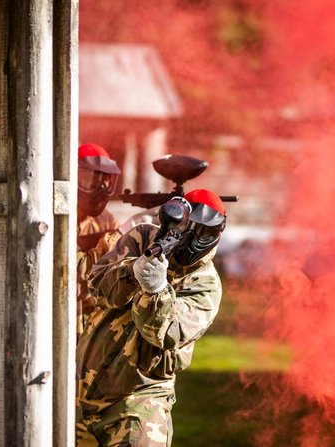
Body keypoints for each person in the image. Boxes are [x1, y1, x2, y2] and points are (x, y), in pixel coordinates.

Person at [76, 189, 227, 446]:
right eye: (190, 231)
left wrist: (156, 289)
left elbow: (164, 333)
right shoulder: (144, 236)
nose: (194, 242)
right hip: (81, 393)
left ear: (218, 234)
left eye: (206, 235)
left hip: (138, 405)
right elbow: (97, 285)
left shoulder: (206, 286)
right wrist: (132, 271)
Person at [77, 143, 122, 338]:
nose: (100, 188)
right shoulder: (54, 216)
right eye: (90, 179)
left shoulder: (106, 221)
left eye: (105, 180)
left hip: (88, 322)